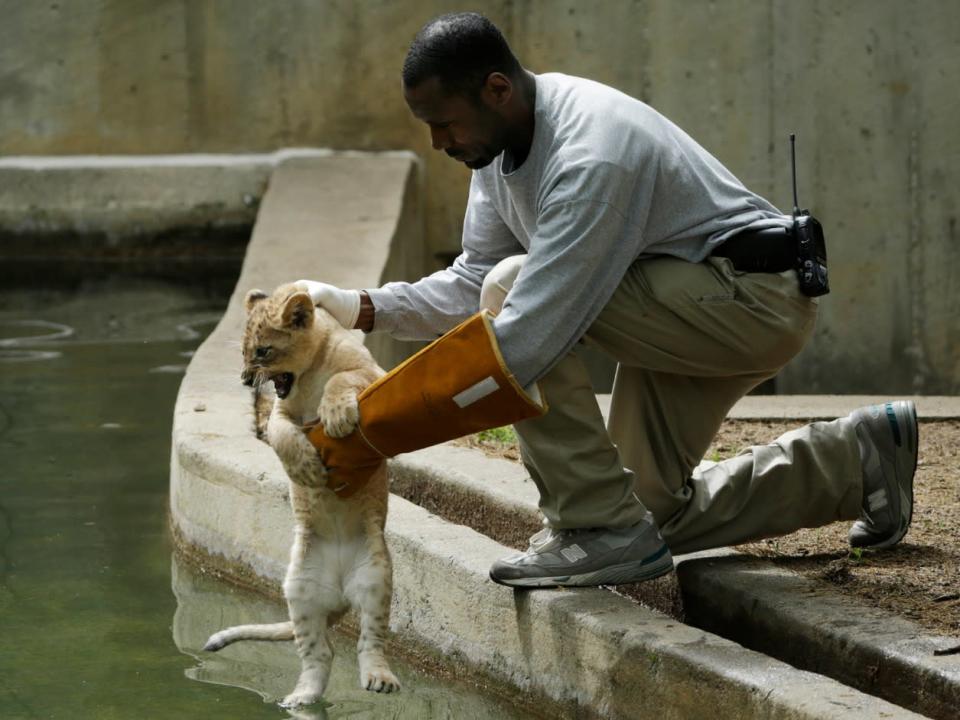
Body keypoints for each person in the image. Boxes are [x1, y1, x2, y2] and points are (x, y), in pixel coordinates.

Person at [296, 12, 918, 588]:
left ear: (496, 90)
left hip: (749, 300)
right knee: (650, 517)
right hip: (679, 300)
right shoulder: (494, 147)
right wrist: (358, 306)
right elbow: (470, 282)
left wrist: (368, 432)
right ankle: (859, 459)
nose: (436, 142)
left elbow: (525, 338)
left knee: (517, 291)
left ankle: (595, 525)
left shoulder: (591, 156)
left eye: (444, 123)